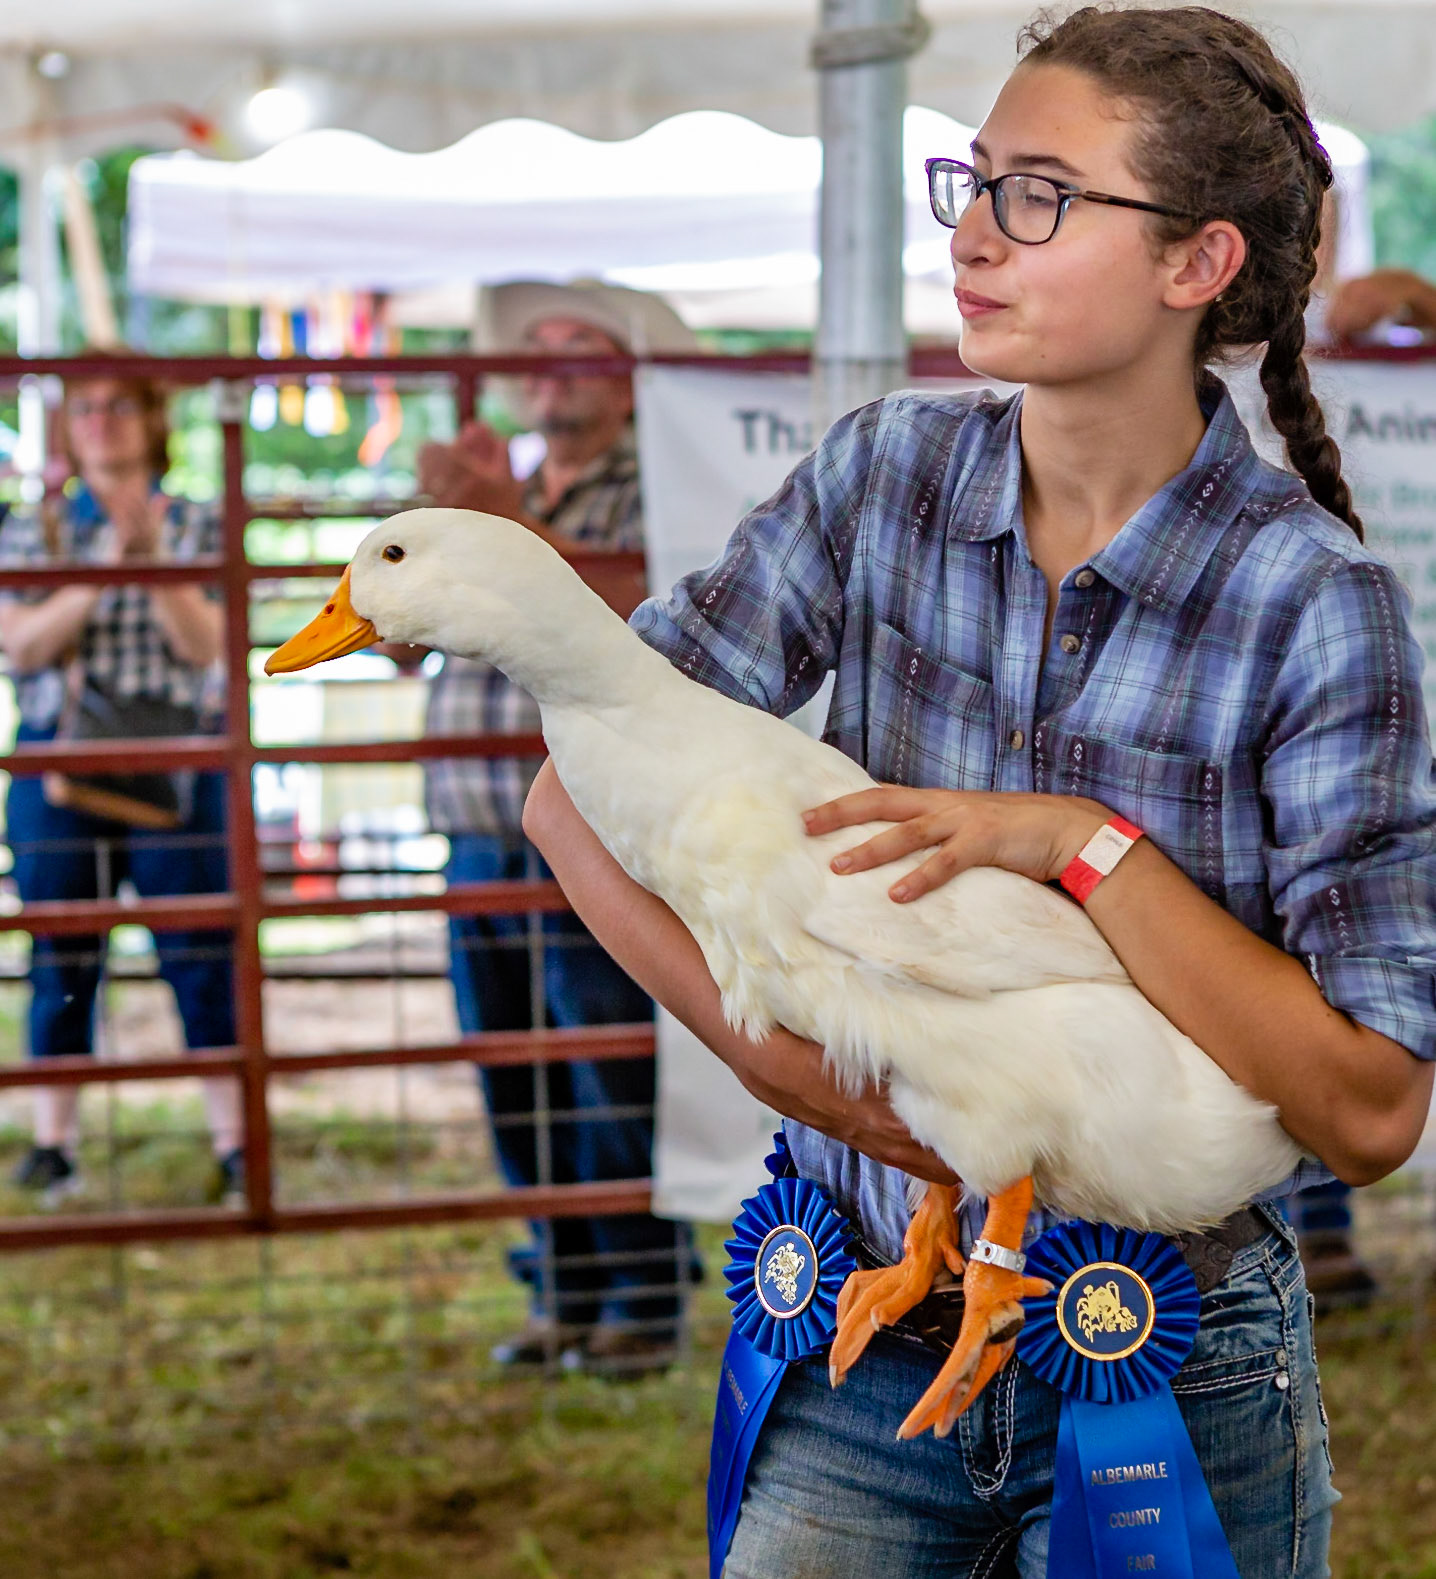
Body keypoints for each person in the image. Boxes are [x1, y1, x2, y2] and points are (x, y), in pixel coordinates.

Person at [526, 9, 1436, 1573]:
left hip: (1170, 1346)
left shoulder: (1314, 602)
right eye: (975, 180)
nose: (975, 235)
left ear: (1196, 264)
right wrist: (801, 1073)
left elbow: (1368, 1104)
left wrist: (1082, 847)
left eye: (1042, 193)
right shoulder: (880, 474)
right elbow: (573, 787)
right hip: (853, 1332)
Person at [412, 282, 700, 1373]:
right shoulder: (517, 488)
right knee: (515, 1068)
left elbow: (631, 614)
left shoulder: (645, 494)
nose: (549, 367)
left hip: (589, 832)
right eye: (537, 351)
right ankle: (560, 1284)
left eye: (579, 349)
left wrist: (492, 518)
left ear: (627, 379)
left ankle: (636, 1296)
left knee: (598, 1063)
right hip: (480, 830)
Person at [0, 364, 242, 1207]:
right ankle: (54, 1143)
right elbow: (22, 645)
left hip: (175, 754)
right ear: (69, 424)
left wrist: (154, 563)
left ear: (150, 420)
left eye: (119, 405)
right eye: (87, 407)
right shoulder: (38, 524)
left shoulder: (202, 519)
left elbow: (209, 644)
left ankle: (234, 1138)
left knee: (201, 947)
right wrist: (106, 564)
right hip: (58, 760)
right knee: (62, 947)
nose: (102, 421)